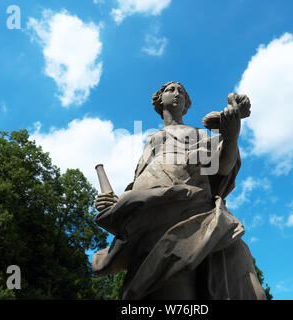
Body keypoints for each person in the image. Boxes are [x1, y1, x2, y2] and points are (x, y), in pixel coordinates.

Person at [92, 81, 266, 300]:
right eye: (170, 90)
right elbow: (141, 180)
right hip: (151, 219)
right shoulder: (152, 139)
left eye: (181, 91)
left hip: (189, 214)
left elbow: (222, 166)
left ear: (186, 105)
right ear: (159, 100)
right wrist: (115, 204)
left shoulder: (198, 134)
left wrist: (231, 136)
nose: (176, 94)